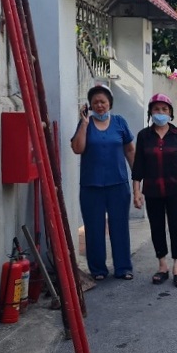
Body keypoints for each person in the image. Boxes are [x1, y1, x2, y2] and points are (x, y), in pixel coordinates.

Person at [70, 84, 136, 280]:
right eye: (95, 102)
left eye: (103, 102)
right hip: (92, 186)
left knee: (120, 226)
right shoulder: (85, 123)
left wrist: (138, 177)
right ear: (90, 105)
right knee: (94, 228)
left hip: (118, 184)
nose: (99, 105)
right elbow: (77, 149)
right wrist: (83, 123)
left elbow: (130, 150)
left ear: (110, 103)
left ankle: (123, 268)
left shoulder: (119, 122)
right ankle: (98, 269)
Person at [132, 94, 177, 288]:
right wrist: (137, 191)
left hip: (175, 189)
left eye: (164, 110)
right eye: (157, 109)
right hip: (152, 190)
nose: (160, 113)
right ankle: (162, 265)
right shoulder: (144, 136)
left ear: (170, 113)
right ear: (150, 112)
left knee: (176, 227)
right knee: (156, 228)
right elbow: (138, 166)